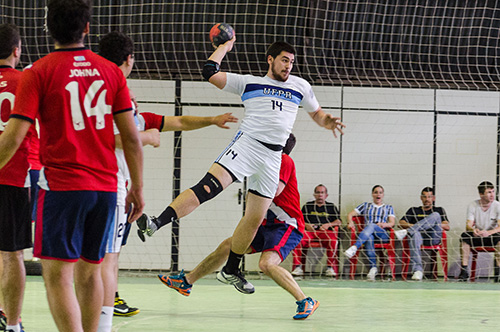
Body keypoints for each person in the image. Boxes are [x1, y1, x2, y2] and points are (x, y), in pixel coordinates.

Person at [137, 39, 345, 290]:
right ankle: (155, 223)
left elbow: (318, 114)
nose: (288, 66)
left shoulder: (300, 86)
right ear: (270, 59)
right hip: (248, 145)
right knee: (208, 188)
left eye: (291, 61)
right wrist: (225, 46)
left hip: (273, 157)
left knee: (254, 218)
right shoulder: (250, 82)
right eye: (284, 60)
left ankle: (232, 268)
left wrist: (328, 121)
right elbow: (210, 72)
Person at [0, 1, 145, 331]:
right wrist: (136, 187)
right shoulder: (110, 70)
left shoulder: (38, 72)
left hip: (63, 187)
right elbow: (132, 139)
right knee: (90, 271)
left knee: (57, 275)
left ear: (48, 30)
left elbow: (13, 136)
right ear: (87, 29)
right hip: (108, 189)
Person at [97, 31, 238, 330]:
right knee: (103, 254)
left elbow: (179, 122)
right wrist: (143, 138)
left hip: (116, 189)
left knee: (109, 252)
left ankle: (110, 297)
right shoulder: (108, 98)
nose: (132, 100)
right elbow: (100, 137)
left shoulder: (133, 112)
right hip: (105, 187)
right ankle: (102, 310)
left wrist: (212, 120)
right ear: (129, 60)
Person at [157, 134, 320, 320]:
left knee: (266, 264)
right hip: (266, 223)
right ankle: (186, 282)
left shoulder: (284, 160)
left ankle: (305, 300)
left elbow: (275, 191)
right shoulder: (263, 160)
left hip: (286, 224)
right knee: (229, 246)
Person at [0, 22, 30, 332]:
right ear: (16, 51)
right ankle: (12, 324)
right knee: (12, 254)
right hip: (13, 176)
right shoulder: (25, 81)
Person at [395, 187, 450, 281]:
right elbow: (401, 223)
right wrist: (417, 227)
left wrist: (432, 223)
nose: (427, 199)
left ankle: (408, 231)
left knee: (436, 215)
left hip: (433, 237)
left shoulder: (439, 210)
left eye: (429, 197)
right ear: (421, 198)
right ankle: (418, 271)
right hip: (418, 237)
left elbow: (447, 226)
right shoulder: (413, 210)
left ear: (433, 198)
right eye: (424, 197)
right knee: (415, 234)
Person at [344, 185, 395, 281]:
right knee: (369, 237)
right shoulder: (366, 205)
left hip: (382, 234)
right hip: (368, 234)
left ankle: (354, 247)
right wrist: (350, 222)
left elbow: (392, 223)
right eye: (376, 192)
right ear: (372, 194)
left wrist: (384, 224)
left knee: (371, 225)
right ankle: (373, 268)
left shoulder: (388, 207)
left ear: (383, 195)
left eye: (380, 192)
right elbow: (350, 214)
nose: (378, 194)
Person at [291, 184, 341, 277]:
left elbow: (338, 221)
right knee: (297, 240)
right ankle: (298, 267)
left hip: (325, 232)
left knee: (333, 241)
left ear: (326, 195)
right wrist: (307, 225)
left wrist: (328, 225)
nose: (320, 195)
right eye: (318, 192)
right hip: (310, 232)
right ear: (314, 195)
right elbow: (299, 220)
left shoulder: (331, 207)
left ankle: (330, 268)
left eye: (322, 192)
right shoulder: (308, 206)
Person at [457, 181, 500, 282]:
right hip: (478, 235)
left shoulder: (497, 205)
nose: (492, 194)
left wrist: (489, 233)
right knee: (465, 236)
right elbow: (468, 225)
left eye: (493, 191)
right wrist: (474, 230)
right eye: (489, 192)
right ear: (481, 194)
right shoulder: (473, 205)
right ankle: (464, 270)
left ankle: (498, 272)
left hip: (491, 235)